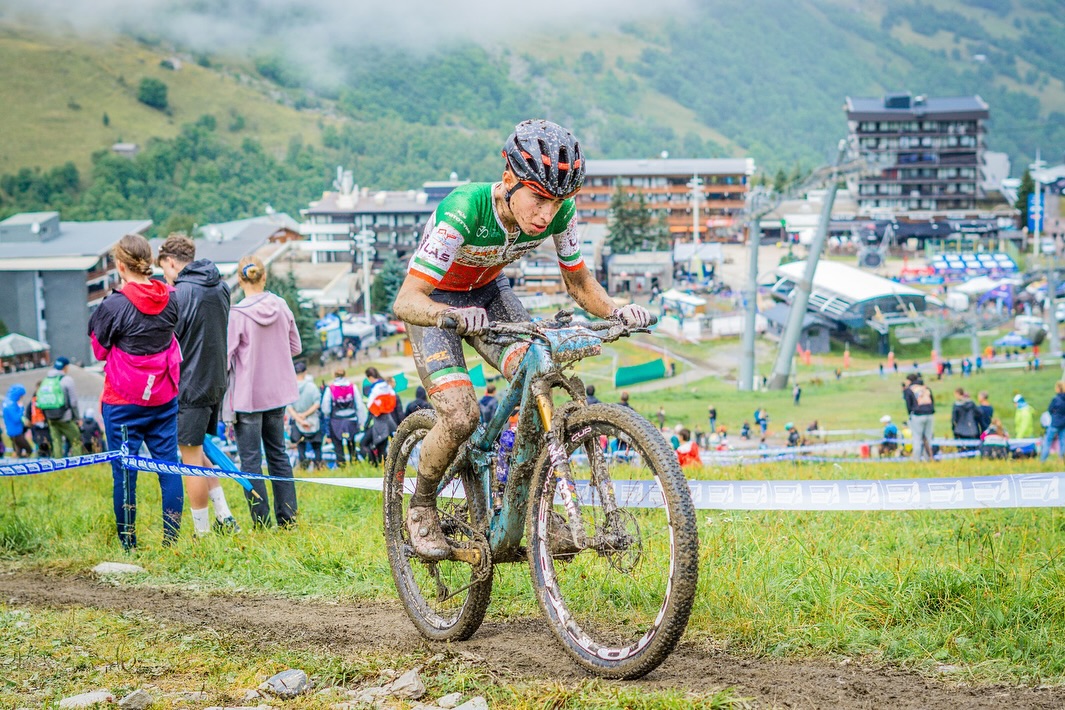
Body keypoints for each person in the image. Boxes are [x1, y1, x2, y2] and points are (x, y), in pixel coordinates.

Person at [392, 119, 652, 560]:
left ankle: (528, 501)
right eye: (538, 199)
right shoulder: (464, 209)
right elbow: (406, 300)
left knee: (539, 373)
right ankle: (421, 505)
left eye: (558, 202)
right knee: (460, 415)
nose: (547, 214)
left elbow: (580, 283)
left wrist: (616, 310)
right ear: (509, 178)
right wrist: (449, 315)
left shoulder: (559, 214)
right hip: (435, 302)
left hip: (490, 294)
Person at [88, 234, 183, 550]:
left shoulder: (113, 305)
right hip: (163, 395)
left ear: (119, 265)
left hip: (123, 400)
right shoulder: (172, 297)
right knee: (169, 466)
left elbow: (100, 351)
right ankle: (171, 542)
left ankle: (129, 544)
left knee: (125, 473)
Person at [157, 233, 239, 536]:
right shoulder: (221, 286)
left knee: (189, 458)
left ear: (170, 261)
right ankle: (224, 515)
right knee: (200, 450)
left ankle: (201, 533)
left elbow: (172, 340)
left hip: (189, 384)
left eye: (163, 268)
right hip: (216, 379)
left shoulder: (177, 294)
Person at [226, 256, 302, 528]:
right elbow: (295, 347)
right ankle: (288, 519)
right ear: (264, 277)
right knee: (279, 455)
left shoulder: (237, 314)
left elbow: (226, 356)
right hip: (278, 393)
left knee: (250, 461)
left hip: (249, 398)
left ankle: (261, 522)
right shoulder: (281, 306)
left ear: (240, 279)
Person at [321, 368, 367, 466]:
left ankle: (342, 467)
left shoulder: (331, 388)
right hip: (351, 420)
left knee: (338, 447)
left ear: (334, 375)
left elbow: (325, 408)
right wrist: (361, 422)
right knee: (352, 445)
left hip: (336, 422)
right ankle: (354, 464)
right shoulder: (352, 387)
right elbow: (359, 405)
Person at [38, 357, 82, 457]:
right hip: (65, 417)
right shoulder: (67, 380)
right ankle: (78, 464)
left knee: (56, 442)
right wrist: (77, 418)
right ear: (66, 367)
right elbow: (74, 402)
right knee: (76, 440)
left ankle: (58, 466)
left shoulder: (47, 380)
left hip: (50, 417)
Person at [287, 361, 324, 469]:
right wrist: (305, 415)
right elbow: (317, 404)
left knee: (301, 447)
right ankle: (319, 467)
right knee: (317, 447)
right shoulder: (312, 387)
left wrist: (299, 419)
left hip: (297, 421)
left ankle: (303, 468)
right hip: (313, 421)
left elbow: (289, 407)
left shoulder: (291, 387)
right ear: (305, 372)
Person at [362, 367, 398, 465]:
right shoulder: (386, 385)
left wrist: (374, 415)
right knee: (383, 446)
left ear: (369, 377)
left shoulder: (375, 387)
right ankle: (384, 466)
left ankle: (375, 465)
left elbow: (370, 405)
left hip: (378, 420)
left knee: (366, 444)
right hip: (388, 419)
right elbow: (393, 402)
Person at [903, 373, 935, 462]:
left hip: (917, 415)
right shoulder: (926, 388)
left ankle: (916, 460)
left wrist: (910, 414)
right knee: (928, 438)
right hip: (930, 414)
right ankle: (928, 458)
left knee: (917, 438)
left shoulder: (909, 389)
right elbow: (932, 401)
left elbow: (908, 404)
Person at [3, 384, 32, 458]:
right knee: (29, 450)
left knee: (18, 451)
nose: (22, 397)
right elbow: (16, 418)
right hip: (16, 432)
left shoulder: (7, 402)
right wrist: (21, 408)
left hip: (12, 431)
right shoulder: (12, 404)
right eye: (21, 395)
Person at [24, 381, 52, 458]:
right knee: (39, 445)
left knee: (47, 444)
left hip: (45, 426)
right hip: (37, 426)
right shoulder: (34, 400)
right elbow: (29, 411)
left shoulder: (45, 399)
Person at [1040, 382, 1065, 463]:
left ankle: (1043, 460)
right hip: (1063, 424)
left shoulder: (1056, 399)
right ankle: (1062, 459)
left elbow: (1050, 409)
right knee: (1063, 442)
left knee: (1048, 441)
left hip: (1055, 424)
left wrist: (1055, 415)